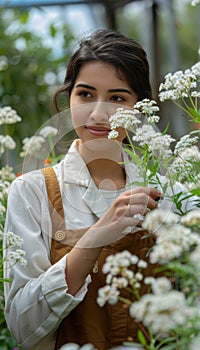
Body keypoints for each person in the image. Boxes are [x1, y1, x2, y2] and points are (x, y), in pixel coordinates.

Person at [3, 29, 194, 350]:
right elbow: (23, 328)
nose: (97, 114)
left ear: (138, 108)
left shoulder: (172, 196)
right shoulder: (31, 192)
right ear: (68, 98)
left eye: (118, 98)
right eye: (86, 94)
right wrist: (94, 238)